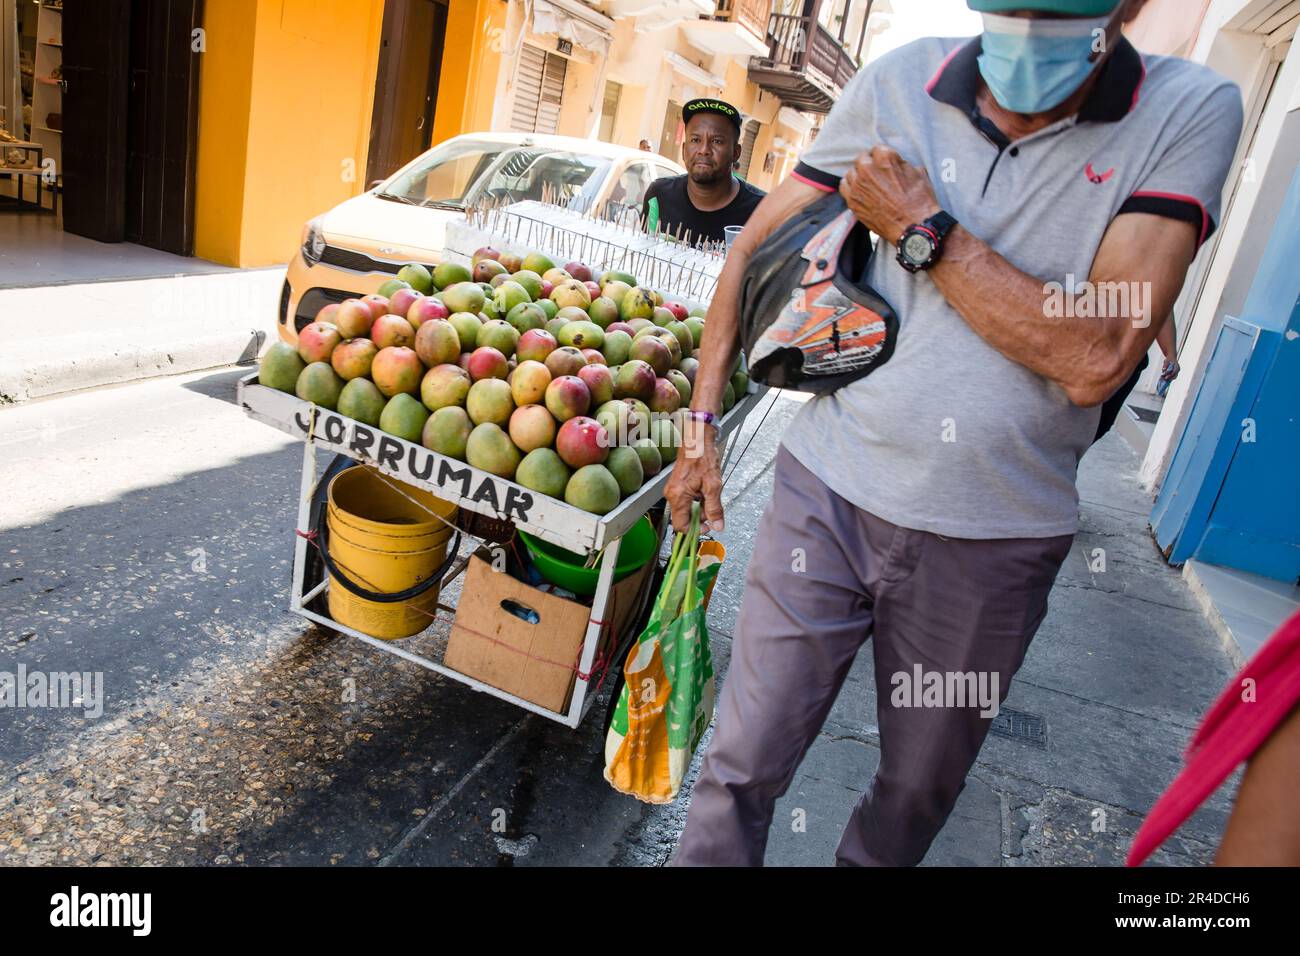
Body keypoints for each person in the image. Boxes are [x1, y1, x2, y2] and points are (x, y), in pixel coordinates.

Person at [666, 0, 1242, 866]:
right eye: (1005, 7)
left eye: (1052, 12)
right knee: (739, 767)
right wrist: (698, 430)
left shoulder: (1188, 110)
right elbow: (754, 248)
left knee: (912, 800)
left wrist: (923, 228)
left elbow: (1095, 354)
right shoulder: (899, 79)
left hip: (995, 542)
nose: (1023, 28)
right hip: (826, 498)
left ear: (1122, 9)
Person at [641, 98, 765, 246]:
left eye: (717, 141)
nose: (704, 150)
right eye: (695, 140)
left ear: (736, 153)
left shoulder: (762, 211)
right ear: (684, 149)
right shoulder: (659, 195)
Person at [1093, 315, 1179, 444]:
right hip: (1087, 351)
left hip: (1126, 364)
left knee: (1098, 426)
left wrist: (1170, 354)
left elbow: (1163, 311)